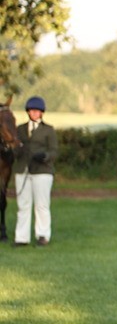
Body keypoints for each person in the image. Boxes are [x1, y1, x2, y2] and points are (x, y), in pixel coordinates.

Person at [13, 96, 57, 247]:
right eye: (32, 111)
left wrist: (44, 156)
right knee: (23, 205)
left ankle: (43, 235)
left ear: (41, 113)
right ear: (28, 112)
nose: (34, 113)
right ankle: (21, 238)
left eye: (37, 111)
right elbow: (16, 148)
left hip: (42, 171)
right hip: (23, 170)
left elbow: (54, 151)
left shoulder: (48, 130)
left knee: (41, 205)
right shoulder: (20, 129)